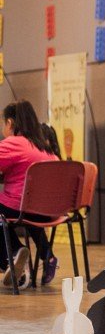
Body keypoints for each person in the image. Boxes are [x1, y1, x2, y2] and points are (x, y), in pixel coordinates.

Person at [0, 100, 60, 289]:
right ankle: (46, 256)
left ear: (10, 123)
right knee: (27, 207)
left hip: (20, 208)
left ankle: (13, 256)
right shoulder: (45, 148)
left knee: (5, 214)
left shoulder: (14, 143)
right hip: (47, 211)